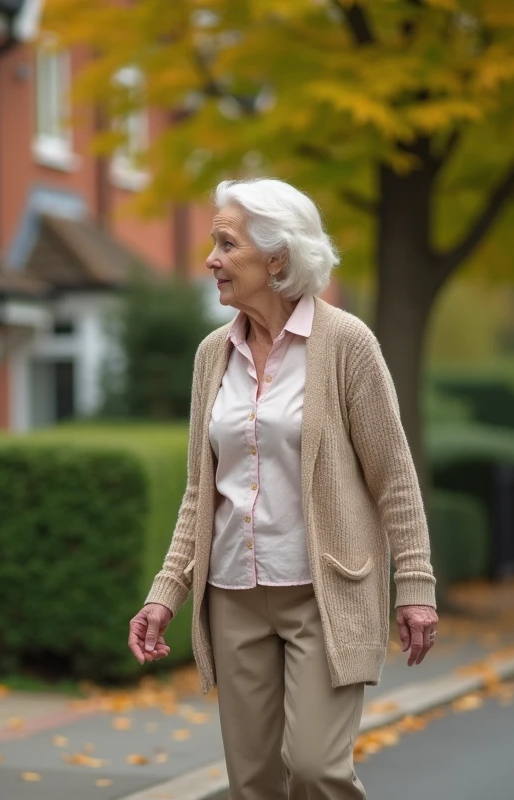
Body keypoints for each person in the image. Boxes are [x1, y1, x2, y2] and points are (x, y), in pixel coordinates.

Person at [127, 178, 439, 800]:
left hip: (324, 594)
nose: (210, 260)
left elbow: (394, 477)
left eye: (225, 244)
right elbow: (200, 491)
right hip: (234, 596)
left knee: (317, 769)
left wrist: (417, 586)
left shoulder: (347, 344)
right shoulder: (212, 354)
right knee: (254, 783)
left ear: (276, 258)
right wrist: (167, 593)